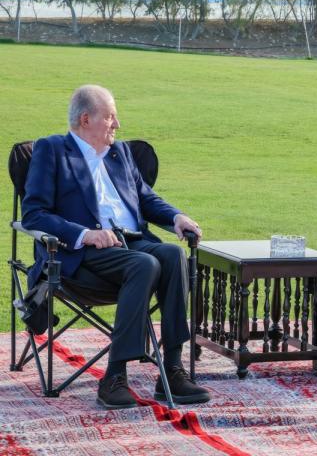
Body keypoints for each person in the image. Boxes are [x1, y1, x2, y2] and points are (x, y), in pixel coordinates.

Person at [21, 85, 210, 409]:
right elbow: (33, 214)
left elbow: (145, 198)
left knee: (171, 253)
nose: (117, 125)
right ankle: (114, 377)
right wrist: (84, 234)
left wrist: (176, 216)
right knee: (145, 265)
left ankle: (173, 370)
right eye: (110, 117)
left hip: (131, 242)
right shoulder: (52, 151)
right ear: (85, 119)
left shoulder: (119, 153)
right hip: (84, 254)